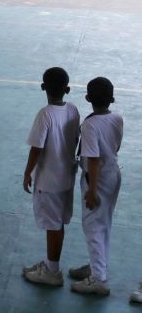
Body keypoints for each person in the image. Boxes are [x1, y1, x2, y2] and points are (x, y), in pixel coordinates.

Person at [21, 67, 80, 286]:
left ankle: (52, 271)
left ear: (43, 87)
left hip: (48, 179)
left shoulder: (44, 114)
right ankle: (50, 263)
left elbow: (36, 148)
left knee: (53, 225)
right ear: (68, 88)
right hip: (67, 176)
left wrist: (28, 172)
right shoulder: (73, 110)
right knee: (58, 223)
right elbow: (75, 140)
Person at [67, 77, 122, 297]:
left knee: (93, 227)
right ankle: (97, 265)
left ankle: (98, 279)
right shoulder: (116, 117)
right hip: (113, 175)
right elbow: (114, 146)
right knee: (104, 223)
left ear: (87, 98)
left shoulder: (90, 125)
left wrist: (91, 191)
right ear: (112, 98)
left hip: (96, 180)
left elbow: (93, 159)